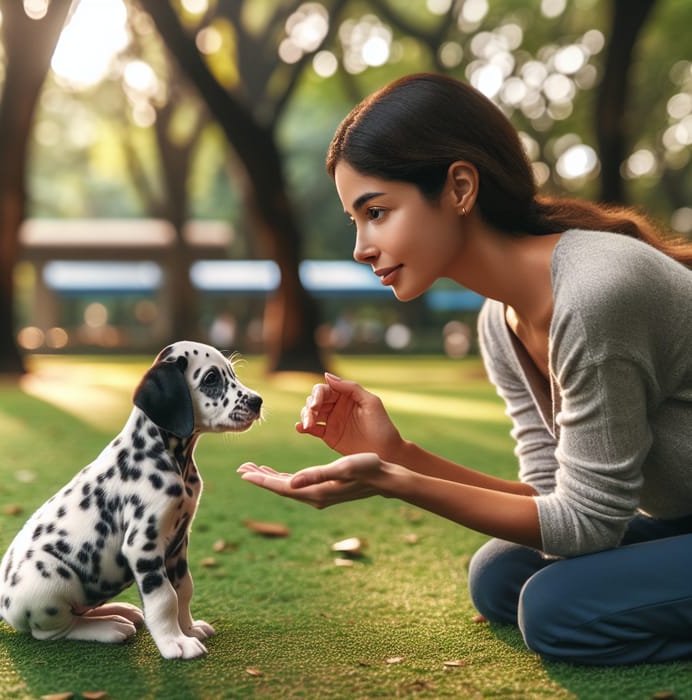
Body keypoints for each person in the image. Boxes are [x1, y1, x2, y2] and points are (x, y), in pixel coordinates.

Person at [238, 73, 692, 666]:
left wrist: (392, 482)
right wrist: (399, 454)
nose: (360, 246)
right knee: (501, 574)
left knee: (555, 608)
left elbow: (588, 528)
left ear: (458, 187)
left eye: (376, 212)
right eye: (355, 219)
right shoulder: (498, 323)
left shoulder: (595, 292)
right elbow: (551, 499)